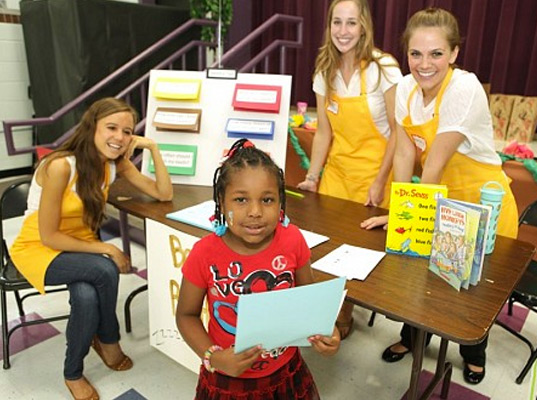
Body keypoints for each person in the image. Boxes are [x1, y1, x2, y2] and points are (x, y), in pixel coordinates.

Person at [361, 8, 519, 385]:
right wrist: (400, 210)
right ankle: (412, 338)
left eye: (435, 53)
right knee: (420, 281)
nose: (424, 63)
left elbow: (433, 165)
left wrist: (408, 217)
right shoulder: (404, 90)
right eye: (416, 53)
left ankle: (473, 352)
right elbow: (403, 153)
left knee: (469, 294)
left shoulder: (464, 88)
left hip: (478, 205)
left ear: (454, 53)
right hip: (436, 200)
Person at [9, 97, 173, 400]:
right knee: (104, 267)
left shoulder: (112, 165)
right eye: (112, 127)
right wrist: (106, 249)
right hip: (39, 246)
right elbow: (48, 236)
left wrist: (152, 147)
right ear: (91, 126)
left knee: (86, 294)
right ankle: (107, 337)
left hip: (79, 244)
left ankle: (72, 371)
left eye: (127, 132)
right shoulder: (60, 166)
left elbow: (163, 193)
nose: (120, 138)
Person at [176, 139, 340, 400]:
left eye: (267, 200)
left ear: (281, 202)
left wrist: (327, 333)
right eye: (241, 199)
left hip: (286, 374)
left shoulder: (292, 239)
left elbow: (309, 301)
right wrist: (215, 357)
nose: (255, 212)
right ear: (221, 201)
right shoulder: (204, 253)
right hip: (227, 381)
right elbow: (186, 315)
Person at [297, 0, 401, 339]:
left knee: (357, 256)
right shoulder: (323, 71)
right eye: (336, 22)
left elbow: (398, 132)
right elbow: (324, 132)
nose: (343, 31)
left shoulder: (383, 68)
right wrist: (313, 177)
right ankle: (331, 311)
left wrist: (380, 181)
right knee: (325, 252)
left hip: (373, 177)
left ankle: (343, 315)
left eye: (351, 23)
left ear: (364, 26)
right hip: (336, 177)